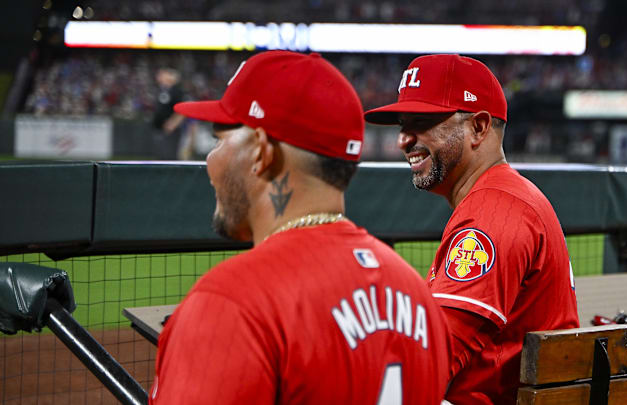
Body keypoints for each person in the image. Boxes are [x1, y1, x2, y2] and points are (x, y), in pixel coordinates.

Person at [150, 51, 451, 404]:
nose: (211, 159)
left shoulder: (232, 303)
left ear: (262, 151)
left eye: (220, 139)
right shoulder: (416, 298)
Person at [364, 54, 579, 405]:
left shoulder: (494, 212)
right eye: (403, 123)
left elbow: (428, 362)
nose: (404, 139)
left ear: (478, 127)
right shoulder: (508, 198)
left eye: (422, 122)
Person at [152, 68, 187, 159]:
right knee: (161, 156)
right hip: (160, 129)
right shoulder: (162, 90)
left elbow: (183, 109)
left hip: (170, 130)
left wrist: (173, 123)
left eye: (163, 74)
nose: (160, 77)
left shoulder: (176, 91)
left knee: (170, 156)